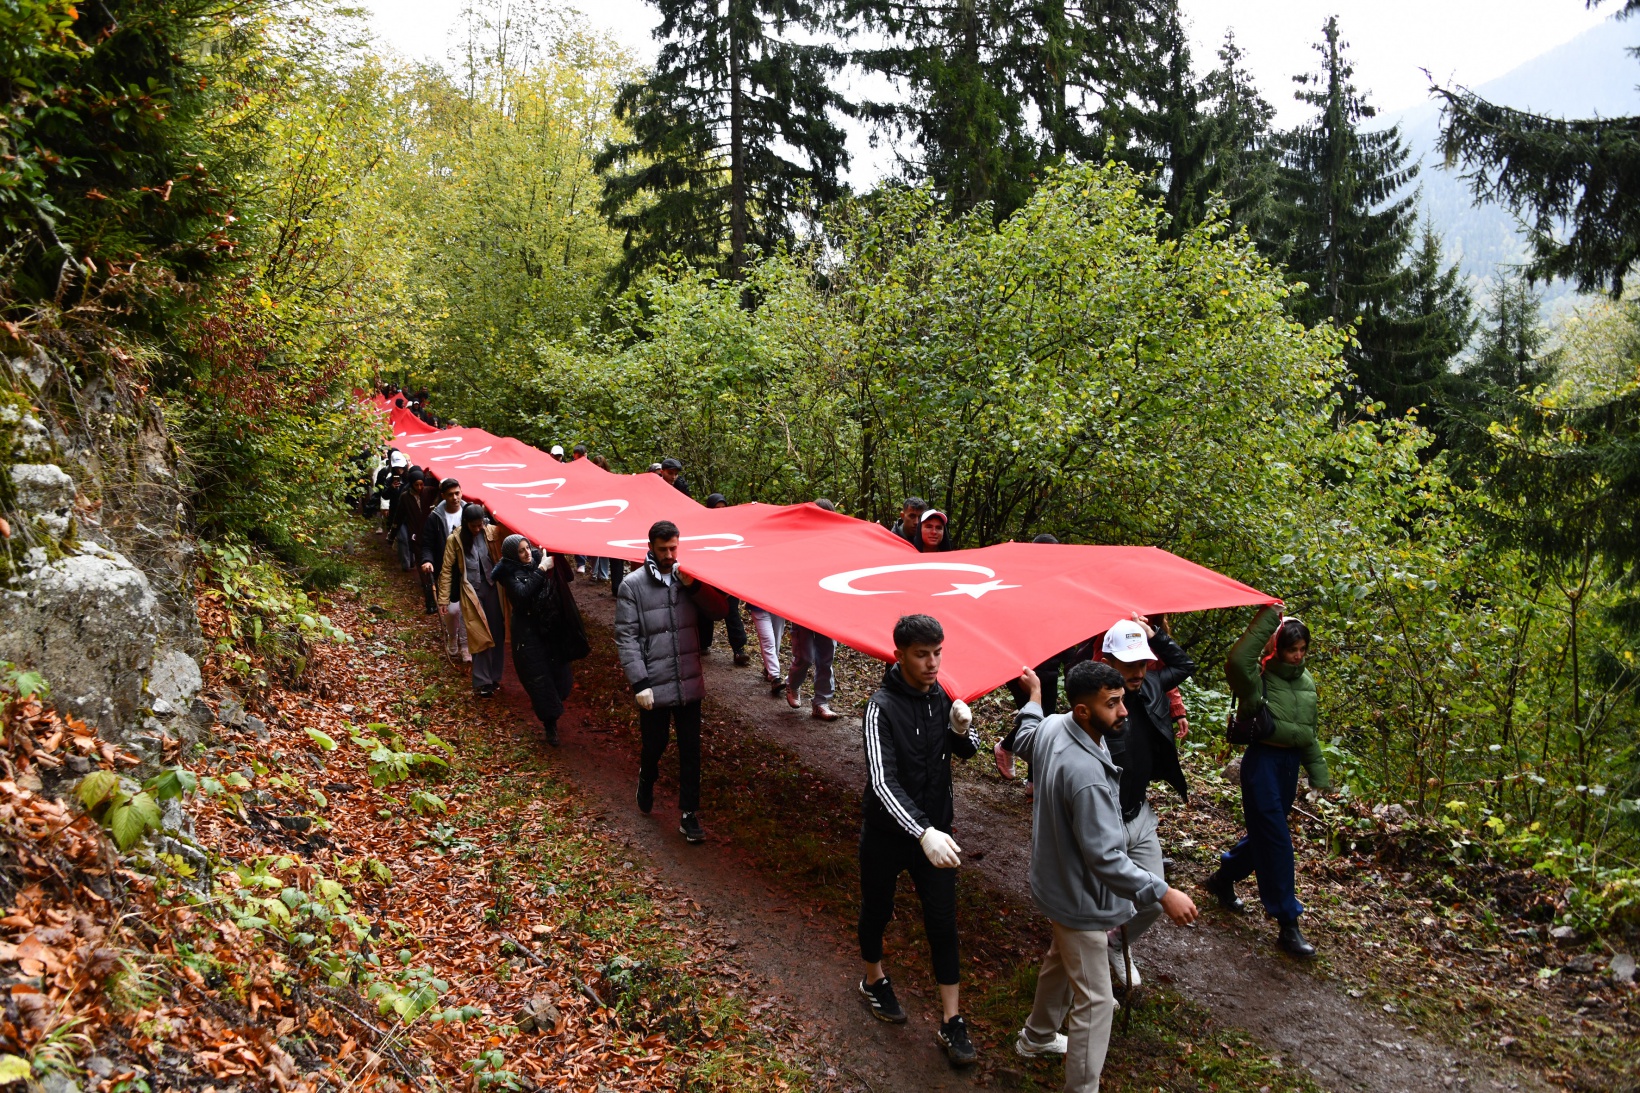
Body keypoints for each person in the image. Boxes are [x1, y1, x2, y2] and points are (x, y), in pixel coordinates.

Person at [1009, 661, 1200, 1090]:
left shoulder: (1055, 725)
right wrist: (1162, 892)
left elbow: (1024, 736)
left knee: (1062, 960)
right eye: (1112, 704)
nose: (1124, 711)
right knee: (1096, 1001)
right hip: (1077, 897)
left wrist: (1035, 697)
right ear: (1083, 710)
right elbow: (1106, 858)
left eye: (1122, 700)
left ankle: (1036, 1037)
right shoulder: (1087, 776)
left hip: (1055, 882)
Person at [856, 614, 980, 1066]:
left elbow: (968, 751)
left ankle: (952, 1020)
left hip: (937, 835)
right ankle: (874, 979)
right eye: (922, 655)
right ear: (899, 656)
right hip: (888, 834)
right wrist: (921, 830)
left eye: (937, 653)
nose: (932, 664)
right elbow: (882, 782)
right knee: (877, 908)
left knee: (943, 923)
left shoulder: (941, 694)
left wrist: (962, 731)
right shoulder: (880, 707)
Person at [1203, 607, 1329, 959]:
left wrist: (1318, 774)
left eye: (1302, 649)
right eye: (1291, 649)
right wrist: (1269, 619)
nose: (1298, 656)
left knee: (1265, 834)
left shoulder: (1306, 682)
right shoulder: (1256, 678)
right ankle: (1288, 922)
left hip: (1289, 767)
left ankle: (1223, 879)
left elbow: (1307, 732)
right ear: (1276, 649)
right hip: (1262, 765)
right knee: (1277, 839)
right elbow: (1236, 661)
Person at [1093, 614, 1196, 988]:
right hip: (1104, 820)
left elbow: (1185, 665)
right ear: (1109, 663)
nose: (1137, 672)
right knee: (1097, 903)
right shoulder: (1093, 703)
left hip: (1139, 815)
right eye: (1129, 664)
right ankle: (1087, 976)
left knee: (1151, 901)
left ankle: (1116, 945)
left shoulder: (1152, 683)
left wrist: (1154, 635)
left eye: (1142, 662)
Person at [614, 520, 729, 844]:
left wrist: (694, 587)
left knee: (691, 749)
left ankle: (689, 814)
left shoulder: (688, 577)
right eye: (663, 549)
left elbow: (719, 611)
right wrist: (639, 683)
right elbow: (626, 637)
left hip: (688, 680)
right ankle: (646, 777)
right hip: (654, 683)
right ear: (651, 547)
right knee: (655, 744)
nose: (669, 554)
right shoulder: (632, 586)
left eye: (673, 548)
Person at [492, 535, 587, 746]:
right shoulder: (507, 573)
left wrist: (556, 556)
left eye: (527, 548)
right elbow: (522, 595)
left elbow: (568, 577)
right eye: (521, 551)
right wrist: (542, 569)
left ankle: (553, 707)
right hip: (527, 634)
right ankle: (550, 724)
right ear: (512, 555)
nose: (527, 553)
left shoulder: (538, 558)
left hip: (549, 628)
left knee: (562, 678)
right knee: (539, 680)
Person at [438, 503, 507, 697]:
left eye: (480, 524)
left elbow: (509, 533)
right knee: (479, 633)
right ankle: (482, 681)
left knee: (497, 632)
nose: (478, 529)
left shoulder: (491, 532)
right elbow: (446, 569)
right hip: (471, 591)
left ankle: (495, 677)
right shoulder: (455, 540)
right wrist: (443, 599)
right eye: (473, 526)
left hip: (493, 587)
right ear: (466, 523)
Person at [698, 493, 750, 666]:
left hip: (728, 577)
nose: (720, 511)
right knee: (705, 610)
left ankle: (739, 650)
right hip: (708, 577)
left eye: (723, 508)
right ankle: (703, 643)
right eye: (716, 508)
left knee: (732, 612)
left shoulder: (733, 530)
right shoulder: (702, 530)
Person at [420, 479, 466, 633]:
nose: (455, 498)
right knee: (451, 610)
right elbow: (427, 544)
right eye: (450, 494)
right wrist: (427, 560)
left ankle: (465, 643)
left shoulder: (469, 512)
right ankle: (452, 636)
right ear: (443, 496)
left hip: (468, 567)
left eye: (457, 493)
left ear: (461, 492)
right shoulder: (435, 517)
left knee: (467, 609)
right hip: (445, 568)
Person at [389, 469, 427, 573]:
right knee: (405, 541)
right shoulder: (405, 496)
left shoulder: (427, 492)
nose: (419, 488)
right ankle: (407, 565)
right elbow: (399, 515)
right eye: (416, 485)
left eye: (421, 484)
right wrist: (393, 533)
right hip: (410, 525)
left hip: (423, 526)